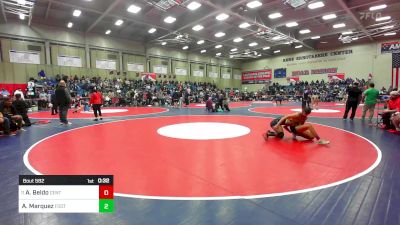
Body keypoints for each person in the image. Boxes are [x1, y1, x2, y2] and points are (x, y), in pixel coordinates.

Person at [264, 107, 330, 145]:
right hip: (276, 122)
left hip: (293, 128)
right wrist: (277, 125)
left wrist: (298, 132)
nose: (305, 115)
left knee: (311, 137)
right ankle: (319, 140)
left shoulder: (305, 117)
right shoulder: (296, 115)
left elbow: (300, 125)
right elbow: (284, 118)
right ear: (302, 111)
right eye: (305, 113)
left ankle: (270, 133)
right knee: (281, 135)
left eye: (307, 114)